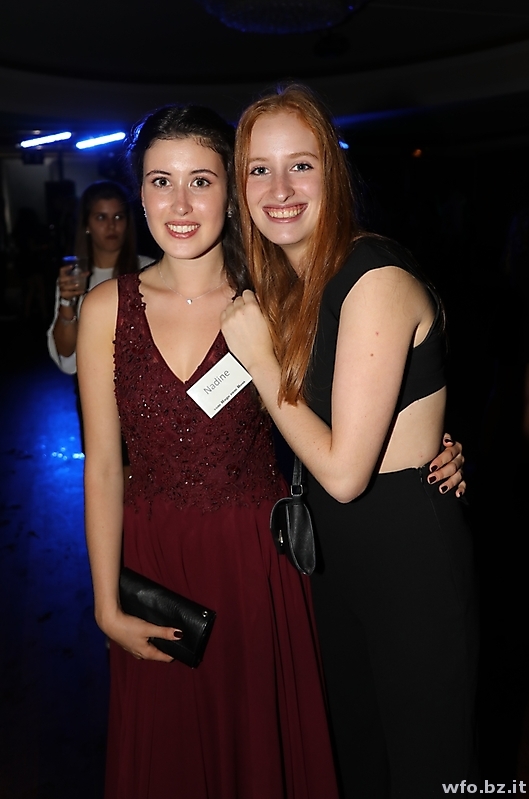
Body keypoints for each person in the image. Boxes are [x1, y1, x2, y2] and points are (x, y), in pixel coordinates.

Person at [76, 105, 344, 799]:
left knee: (257, 750)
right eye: (160, 181)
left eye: (201, 180)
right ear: (139, 194)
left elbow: (345, 425)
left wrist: (438, 446)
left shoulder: (275, 301)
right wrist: (104, 604)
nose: (180, 203)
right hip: (154, 560)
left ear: (231, 191)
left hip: (255, 564)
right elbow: (102, 466)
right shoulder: (106, 309)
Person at [221, 84, 477, 798]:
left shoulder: (374, 277)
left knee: (429, 774)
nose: (279, 190)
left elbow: (342, 473)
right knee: (358, 766)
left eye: (300, 166)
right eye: (259, 169)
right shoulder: (286, 288)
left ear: (332, 175)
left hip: (404, 554)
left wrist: (261, 362)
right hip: (332, 557)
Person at [47, 179, 151, 375]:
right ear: (87, 224)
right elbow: (66, 355)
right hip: (91, 384)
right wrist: (67, 302)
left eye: (118, 217)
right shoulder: (74, 276)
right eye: (101, 217)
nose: (111, 226)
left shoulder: (148, 270)